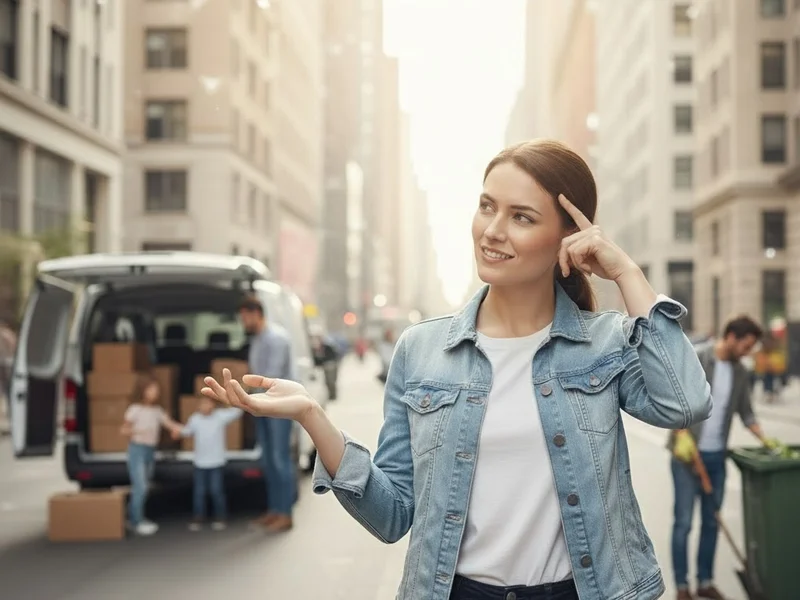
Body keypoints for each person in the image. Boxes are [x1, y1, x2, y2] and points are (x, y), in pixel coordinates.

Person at [202, 139, 712, 600]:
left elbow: (685, 403)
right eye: (487, 206)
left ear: (570, 237)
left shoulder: (604, 342)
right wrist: (312, 416)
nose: (492, 231)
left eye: (522, 217)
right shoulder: (421, 350)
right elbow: (391, 515)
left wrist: (626, 272)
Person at [669, 315, 777, 600]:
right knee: (683, 523)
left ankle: (705, 581)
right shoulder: (698, 358)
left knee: (711, 522)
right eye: (746, 346)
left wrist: (767, 441)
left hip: (716, 458)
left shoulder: (740, 372)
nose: (748, 352)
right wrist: (680, 434)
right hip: (687, 457)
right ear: (731, 337)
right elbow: (674, 396)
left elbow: (747, 413)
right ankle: (682, 587)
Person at [238, 294, 296, 533]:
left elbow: (270, 377)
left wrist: (245, 392)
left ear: (256, 314)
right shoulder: (257, 340)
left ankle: (286, 514)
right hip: (261, 406)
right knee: (268, 460)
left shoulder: (277, 339)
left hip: (278, 407)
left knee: (280, 459)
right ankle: (274, 510)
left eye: (245, 317)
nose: (243, 322)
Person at [120, 373, 182, 536]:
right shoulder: (134, 410)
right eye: (152, 389)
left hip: (150, 451)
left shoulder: (157, 411)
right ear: (142, 390)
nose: (155, 392)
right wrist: (138, 431)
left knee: (144, 486)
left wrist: (184, 429)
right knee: (140, 486)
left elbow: (170, 424)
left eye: (156, 389)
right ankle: (136, 521)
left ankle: (131, 517)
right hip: (137, 450)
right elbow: (124, 430)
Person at [173, 395, 243, 532]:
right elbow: (187, 431)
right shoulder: (195, 419)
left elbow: (237, 412)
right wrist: (178, 432)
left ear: (213, 405)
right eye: (202, 403)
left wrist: (233, 399)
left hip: (216, 462)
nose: (205, 406)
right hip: (200, 463)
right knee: (199, 492)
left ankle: (220, 517)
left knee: (216, 491)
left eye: (208, 403)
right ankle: (198, 517)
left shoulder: (220, 416)